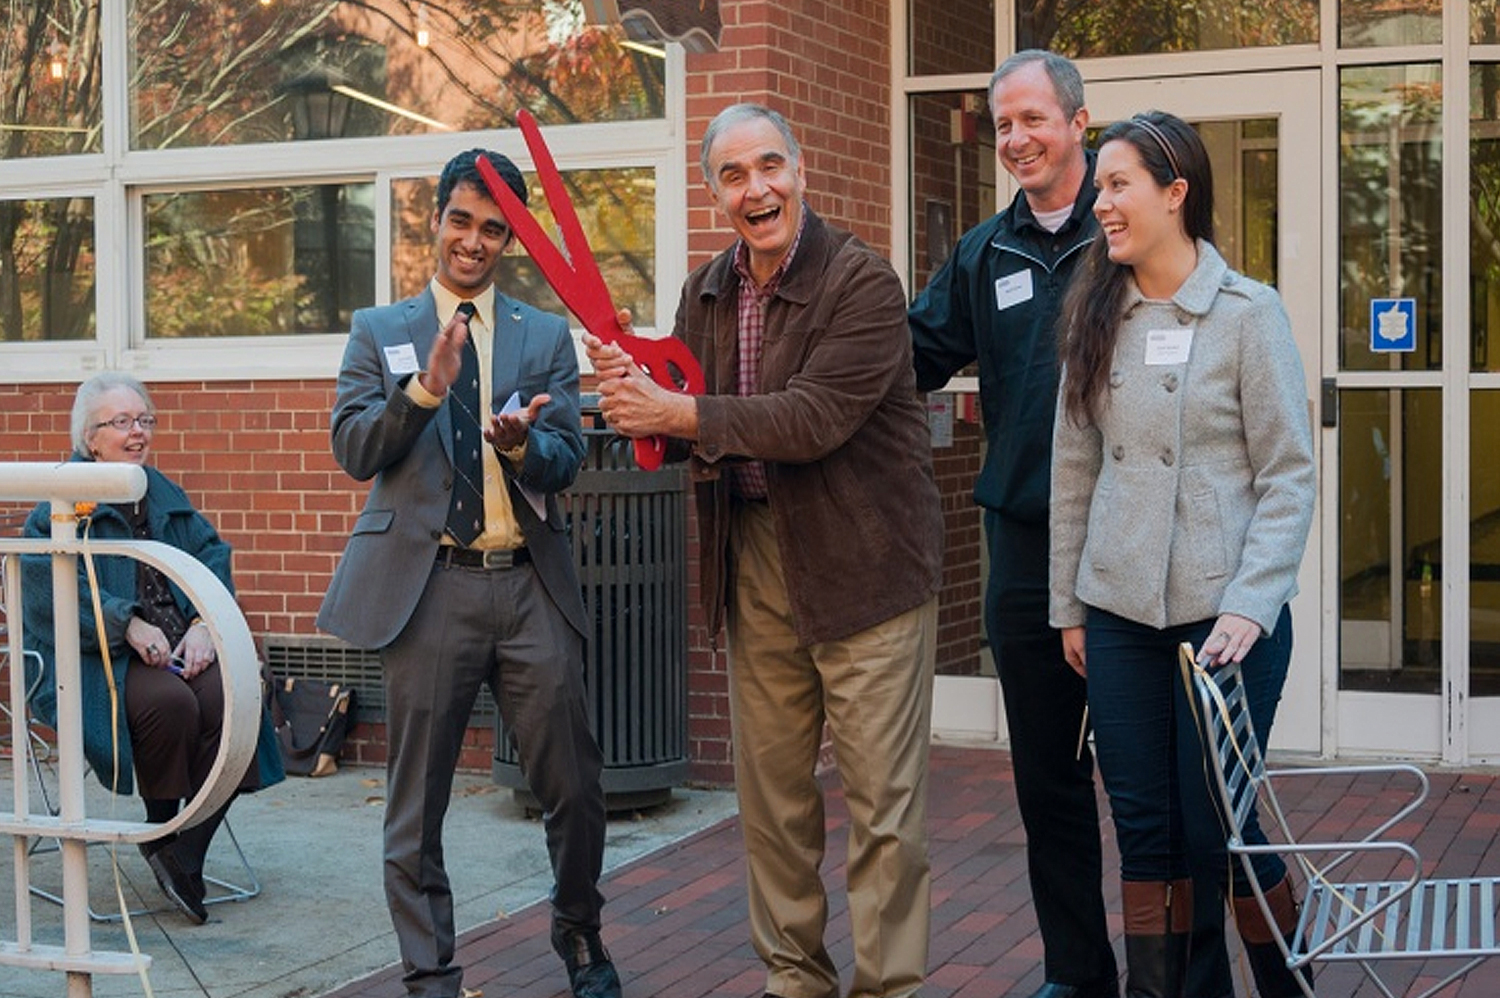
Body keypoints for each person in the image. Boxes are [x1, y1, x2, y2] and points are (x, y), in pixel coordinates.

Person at [585, 103, 943, 998]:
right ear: (713, 192)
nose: (758, 189)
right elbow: (677, 427)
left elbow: (813, 418)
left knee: (884, 812)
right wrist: (633, 393)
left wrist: (679, 414)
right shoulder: (705, 291)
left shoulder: (861, 281)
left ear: (801, 169)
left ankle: (890, 987)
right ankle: (795, 981)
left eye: (770, 166)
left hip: (867, 572)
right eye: (735, 176)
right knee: (774, 807)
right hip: (756, 565)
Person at [908, 51, 1234, 998]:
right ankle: (1076, 974)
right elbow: (908, 359)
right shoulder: (983, 254)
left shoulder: (1131, 226)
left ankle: (1183, 978)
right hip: (1024, 549)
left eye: (1032, 120)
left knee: (1176, 791)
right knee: (1048, 783)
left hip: (1141, 546)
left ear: (1079, 123)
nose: (1015, 139)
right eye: (1002, 124)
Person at [316, 149, 618, 998]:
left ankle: (580, 933)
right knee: (417, 808)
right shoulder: (380, 331)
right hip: (429, 588)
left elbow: (567, 460)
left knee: (576, 784)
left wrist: (525, 444)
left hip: (528, 583)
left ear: (510, 242)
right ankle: (429, 975)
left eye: (494, 229)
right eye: (461, 220)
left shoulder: (544, 335)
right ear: (435, 220)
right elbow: (352, 448)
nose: (474, 242)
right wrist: (422, 393)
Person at [1049, 110, 1316, 998]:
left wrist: (1253, 601)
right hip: (1120, 612)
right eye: (1100, 189)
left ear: (1175, 193)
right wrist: (1070, 606)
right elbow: (1075, 470)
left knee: (1215, 829)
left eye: (1118, 185)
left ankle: (1289, 975)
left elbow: (1288, 475)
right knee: (1147, 832)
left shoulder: (1249, 314)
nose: (1102, 204)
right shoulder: (1097, 310)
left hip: (1226, 621)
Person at [21, 371, 285, 925]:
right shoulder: (66, 499)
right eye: (121, 422)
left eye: (144, 420)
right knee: (172, 703)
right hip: (96, 659)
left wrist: (206, 626)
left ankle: (181, 850)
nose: (136, 432)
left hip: (180, 642)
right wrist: (127, 624)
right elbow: (47, 593)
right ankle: (162, 823)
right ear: (90, 437)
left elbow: (212, 554)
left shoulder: (157, 491)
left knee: (238, 695)